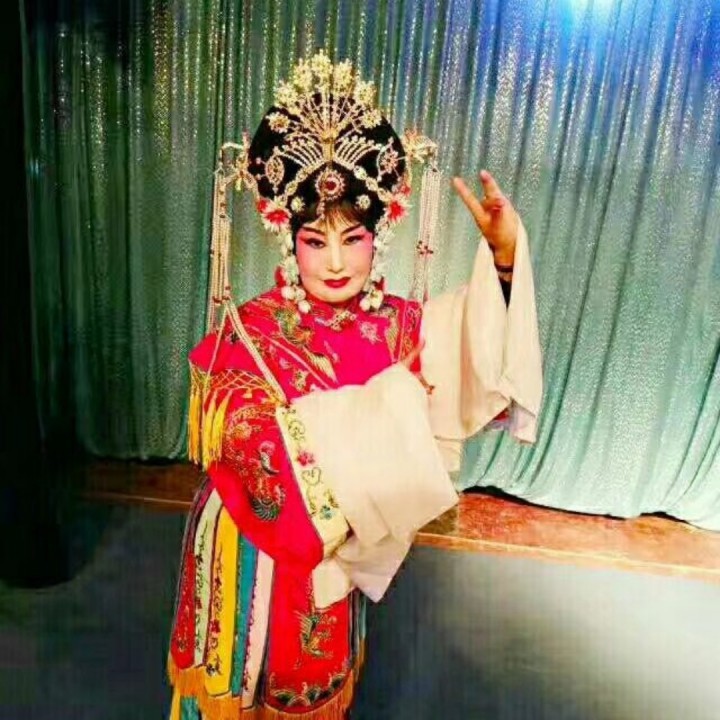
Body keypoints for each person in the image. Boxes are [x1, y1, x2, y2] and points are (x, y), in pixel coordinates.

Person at [167, 51, 542, 720]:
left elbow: (478, 363)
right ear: (289, 240)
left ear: (379, 234)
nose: (336, 262)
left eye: (355, 237)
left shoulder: (400, 326)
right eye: (316, 240)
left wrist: (504, 260)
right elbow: (242, 432)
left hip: (339, 554)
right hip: (257, 550)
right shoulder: (253, 328)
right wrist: (381, 420)